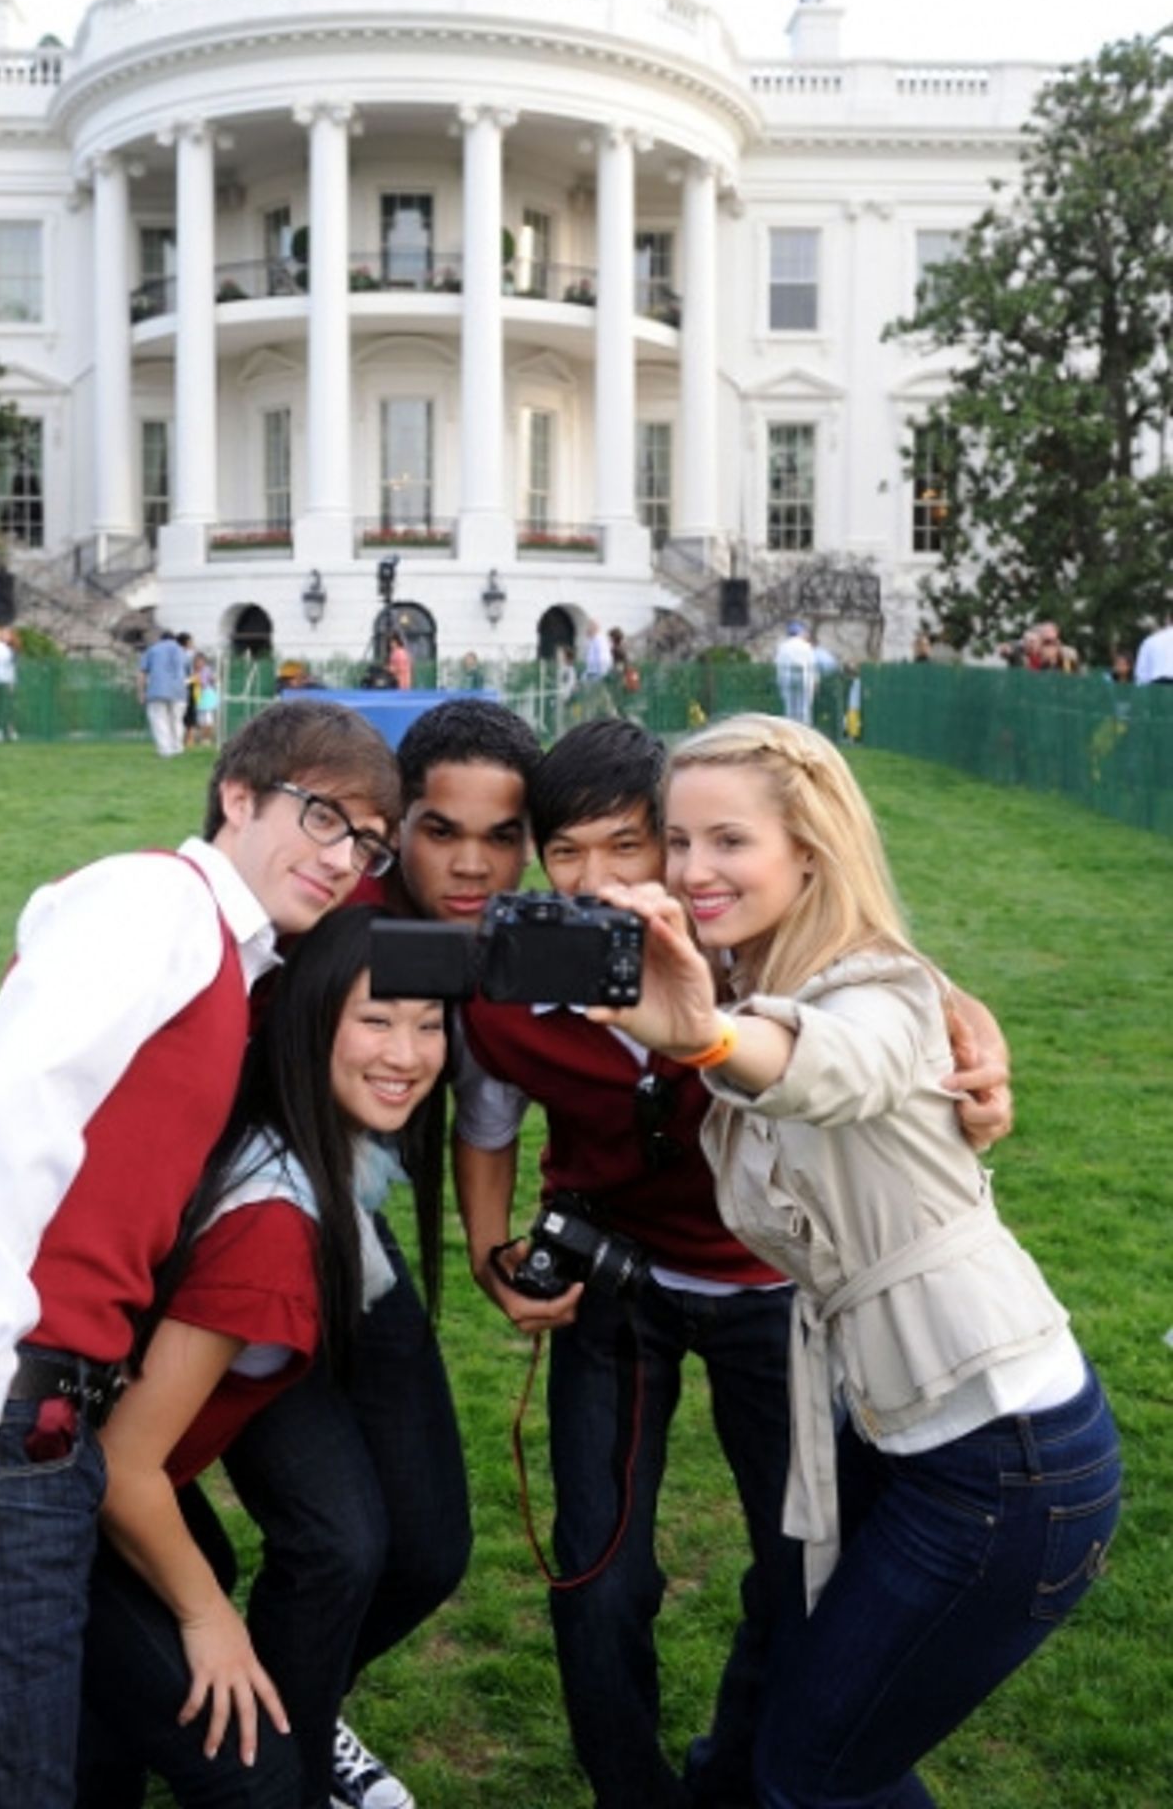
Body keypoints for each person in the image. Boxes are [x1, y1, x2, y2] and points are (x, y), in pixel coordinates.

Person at [0, 699, 402, 1808]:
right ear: (236, 794)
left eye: (366, 842)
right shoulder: (159, 904)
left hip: (26, 1411)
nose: (343, 858)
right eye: (323, 817)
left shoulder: (220, 951)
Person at [455, 717, 1013, 1809]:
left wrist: (971, 1027)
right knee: (597, 1573)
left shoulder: (748, 946)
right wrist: (491, 1248)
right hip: (613, 1287)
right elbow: (486, 1117)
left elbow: (879, 993)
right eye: (563, 848)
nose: (598, 876)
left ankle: (756, 1771)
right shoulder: (512, 980)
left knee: (798, 1560)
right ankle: (632, 1790)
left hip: (774, 1295)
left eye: (631, 845)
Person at [587, 713, 1120, 1809]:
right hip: (895, 1425)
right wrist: (701, 1013)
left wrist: (704, 1039)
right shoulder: (750, 975)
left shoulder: (876, 992)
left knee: (819, 1771)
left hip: (1002, 1454)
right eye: (676, 840)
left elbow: (838, 1063)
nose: (691, 869)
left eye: (728, 840)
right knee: (776, 1682)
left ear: (808, 852)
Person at [217, 697, 541, 1809]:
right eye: (438, 827)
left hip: (354, 1238)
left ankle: (288, 1709)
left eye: (502, 835)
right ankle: (275, 1770)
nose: (470, 861)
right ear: (392, 827)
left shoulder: (517, 934)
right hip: (245, 1253)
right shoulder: (316, 902)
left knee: (430, 1547)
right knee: (340, 1544)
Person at [76, 905, 449, 1809]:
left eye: (431, 1023)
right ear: (311, 1019)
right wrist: (209, 1620)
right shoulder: (273, 1226)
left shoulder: (315, 1151)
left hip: (84, 1486)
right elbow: (123, 1466)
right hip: (53, 1508)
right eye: (376, 1020)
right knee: (262, 1780)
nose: (408, 1053)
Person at [140, 628, 191, 757]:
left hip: (157, 690)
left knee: (159, 719)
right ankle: (177, 747)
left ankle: (165, 749)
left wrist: (141, 692)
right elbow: (188, 672)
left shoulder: (152, 650)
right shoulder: (182, 651)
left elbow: (143, 673)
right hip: (179, 691)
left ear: (160, 639)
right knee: (177, 720)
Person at [773, 621, 817, 725]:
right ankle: (805, 728)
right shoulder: (806, 646)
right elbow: (812, 665)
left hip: (787, 677)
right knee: (804, 706)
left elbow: (778, 663)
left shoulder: (783, 646)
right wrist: (814, 681)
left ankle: (790, 727)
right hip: (804, 677)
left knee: (789, 706)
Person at [1133, 618, 1173, 685]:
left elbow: (1141, 673)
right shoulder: (1151, 640)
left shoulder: (1150, 640)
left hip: (1157, 686)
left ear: (1168, 620)